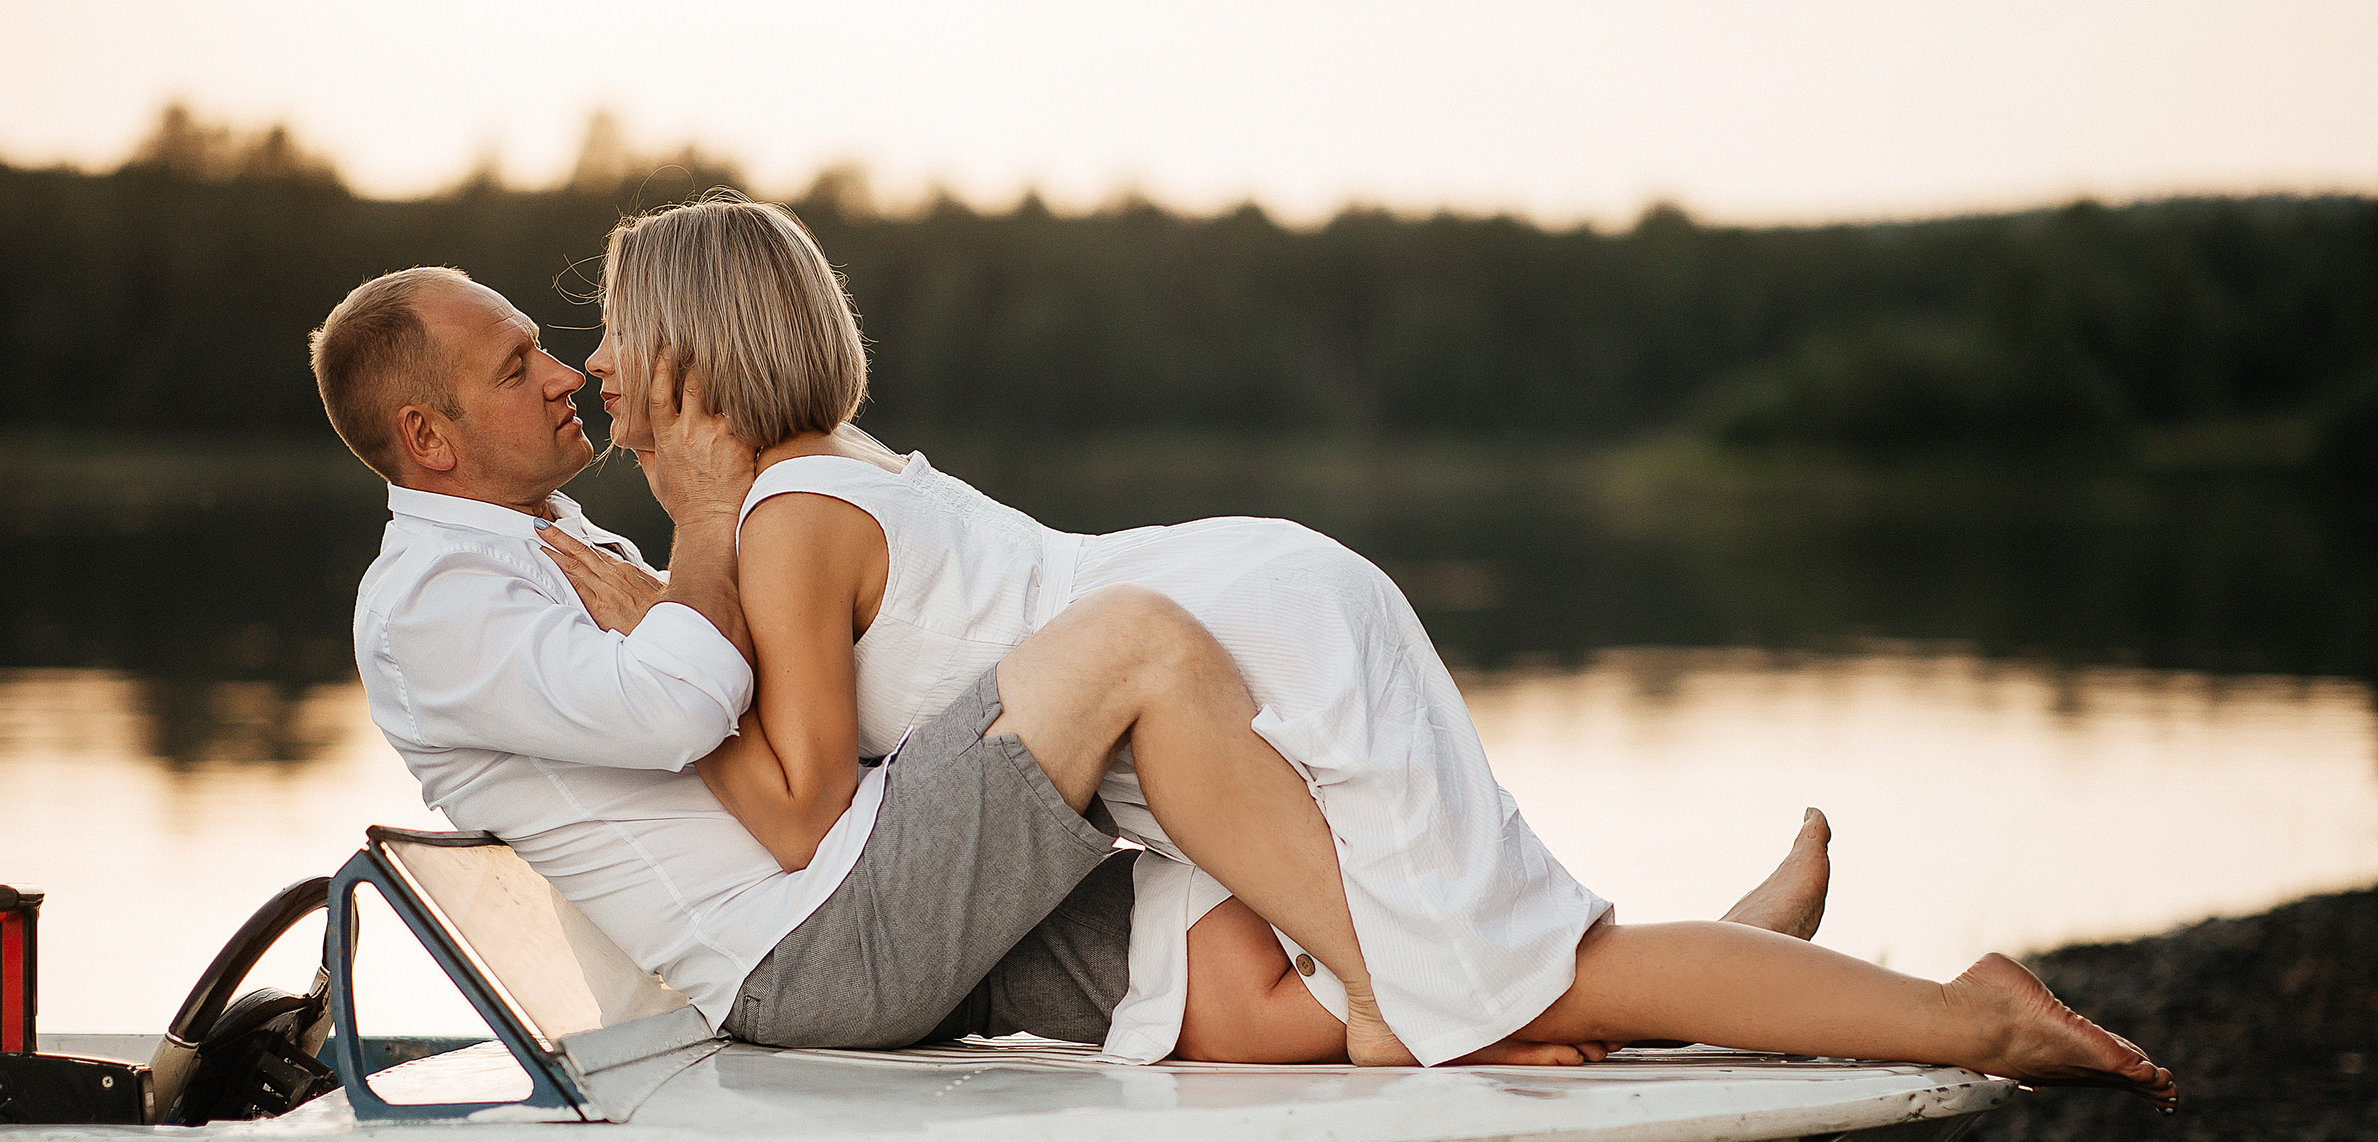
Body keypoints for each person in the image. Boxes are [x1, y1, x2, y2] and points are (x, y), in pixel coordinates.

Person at [541, 194, 2175, 1107]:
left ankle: (1966, 1016)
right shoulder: (841, 476)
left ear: (692, 350)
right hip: (1232, 632)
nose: (596, 360)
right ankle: (1728, 962)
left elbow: (812, 808)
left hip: (1225, 648)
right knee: (1461, 975)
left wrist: (661, 604)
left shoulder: (782, 522)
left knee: (1480, 989)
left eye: (619, 327)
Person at [309, 265, 1827, 1072]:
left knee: (1238, 984)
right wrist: (706, 527)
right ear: (429, 440)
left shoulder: (546, 541)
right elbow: (687, 710)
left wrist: (687, 563)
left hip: (861, 866)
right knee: (1151, 720)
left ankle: (1691, 987)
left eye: (548, 344)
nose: (570, 371)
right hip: (806, 942)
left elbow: (721, 708)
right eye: (519, 363)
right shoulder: (434, 606)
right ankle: (1592, 982)